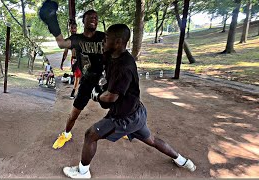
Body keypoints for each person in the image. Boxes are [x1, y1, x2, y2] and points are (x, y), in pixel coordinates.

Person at [62, 24, 196, 178]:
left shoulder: (124, 66)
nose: (103, 42)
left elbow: (110, 98)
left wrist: (96, 96)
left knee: (90, 135)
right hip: (136, 112)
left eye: (106, 39)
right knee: (151, 139)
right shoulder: (112, 55)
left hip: (124, 118)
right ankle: (182, 161)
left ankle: (83, 172)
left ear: (118, 42)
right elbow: (98, 64)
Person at [39, 1, 105, 149]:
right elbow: (62, 44)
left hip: (103, 79)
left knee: (117, 102)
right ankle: (66, 134)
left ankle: (125, 125)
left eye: (96, 17)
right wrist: (52, 21)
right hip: (87, 80)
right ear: (83, 21)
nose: (94, 19)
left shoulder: (103, 37)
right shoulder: (77, 39)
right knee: (75, 111)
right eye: (90, 17)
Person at [60, 21, 82, 99]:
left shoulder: (81, 38)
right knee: (77, 76)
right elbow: (65, 53)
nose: (73, 30)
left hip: (82, 58)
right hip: (74, 59)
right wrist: (62, 63)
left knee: (81, 75)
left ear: (77, 28)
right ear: (69, 29)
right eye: (71, 28)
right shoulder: (68, 41)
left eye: (74, 28)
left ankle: (78, 91)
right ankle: (74, 91)